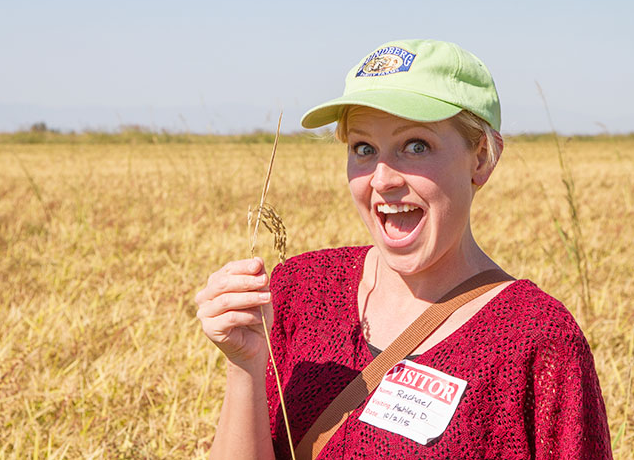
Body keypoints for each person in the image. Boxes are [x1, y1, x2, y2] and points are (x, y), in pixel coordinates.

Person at [195, 39, 612, 459]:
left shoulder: (536, 339)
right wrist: (244, 365)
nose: (382, 179)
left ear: (482, 158)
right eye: (363, 148)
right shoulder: (301, 289)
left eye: (416, 146)